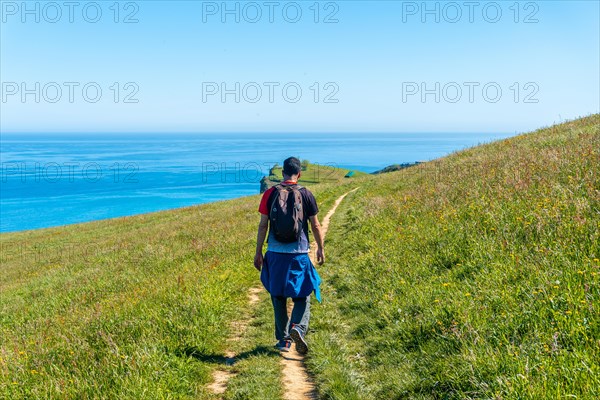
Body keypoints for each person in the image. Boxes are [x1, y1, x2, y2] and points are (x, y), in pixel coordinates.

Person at [254, 157, 324, 354]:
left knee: (277, 295)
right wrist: (320, 247)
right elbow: (315, 225)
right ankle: (297, 327)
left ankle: (284, 341)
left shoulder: (269, 193)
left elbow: (263, 225)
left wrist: (259, 251)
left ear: (283, 172)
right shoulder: (306, 194)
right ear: (299, 173)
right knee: (302, 294)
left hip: (275, 253)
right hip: (299, 253)